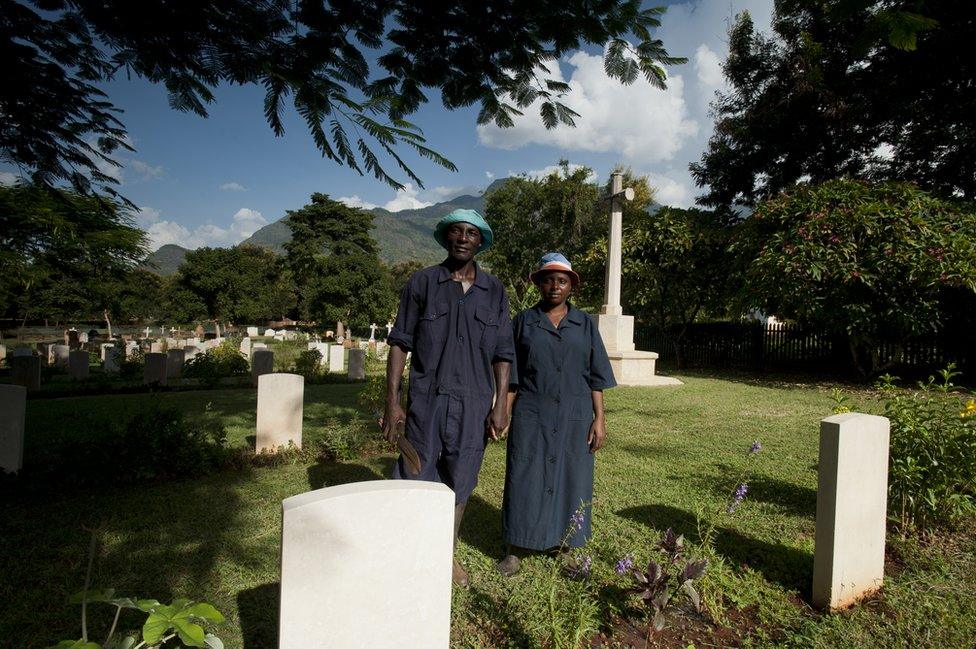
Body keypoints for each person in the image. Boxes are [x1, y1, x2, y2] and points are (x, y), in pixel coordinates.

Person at [383, 208, 514, 587]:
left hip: (474, 404)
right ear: (445, 237)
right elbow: (399, 344)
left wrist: (500, 405)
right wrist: (392, 402)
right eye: (455, 231)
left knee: (461, 480)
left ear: (480, 242)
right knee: (414, 472)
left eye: (471, 233)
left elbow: (503, 353)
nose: (462, 238)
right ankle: (409, 550)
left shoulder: (495, 291)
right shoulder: (422, 283)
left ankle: (447, 555)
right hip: (426, 400)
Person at [496, 252, 616, 576]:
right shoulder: (523, 322)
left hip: (575, 414)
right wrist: (503, 412)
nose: (555, 286)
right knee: (523, 476)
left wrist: (599, 417)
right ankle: (516, 547)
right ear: (539, 283)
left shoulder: (585, 324)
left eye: (562, 281)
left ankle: (565, 547)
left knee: (572, 479)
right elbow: (513, 375)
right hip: (532, 412)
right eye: (548, 280)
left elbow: (596, 376)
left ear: (570, 286)